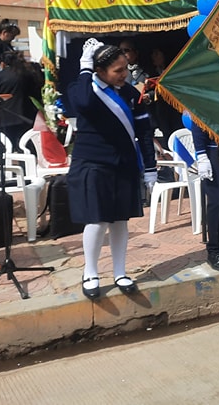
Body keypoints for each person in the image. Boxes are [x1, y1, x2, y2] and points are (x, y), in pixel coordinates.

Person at [66, 39, 157, 299]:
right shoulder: (82, 88)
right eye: (118, 70)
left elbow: (143, 131)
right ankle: (91, 272)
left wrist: (149, 167)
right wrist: (84, 67)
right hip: (93, 163)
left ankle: (120, 272)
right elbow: (83, 104)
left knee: (119, 220)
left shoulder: (129, 93)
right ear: (99, 71)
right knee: (97, 219)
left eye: (125, 68)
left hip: (124, 163)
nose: (124, 74)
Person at [190, 119, 219, 272]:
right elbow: (198, 119)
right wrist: (201, 155)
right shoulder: (209, 93)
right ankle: (214, 250)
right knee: (217, 201)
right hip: (213, 150)